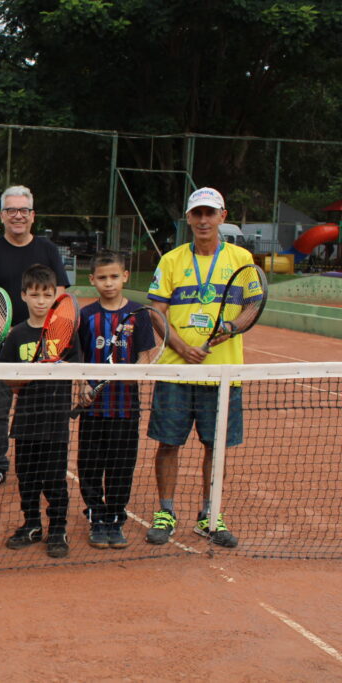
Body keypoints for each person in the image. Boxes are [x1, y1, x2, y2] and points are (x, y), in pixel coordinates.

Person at [144, 187, 253, 548]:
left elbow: (253, 304)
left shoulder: (241, 258)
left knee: (215, 447)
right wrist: (179, 346)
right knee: (169, 444)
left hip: (223, 373)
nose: (203, 220)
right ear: (188, 219)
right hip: (177, 372)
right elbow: (155, 310)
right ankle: (166, 511)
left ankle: (211, 513)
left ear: (223, 216)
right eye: (197, 214)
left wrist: (234, 327)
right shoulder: (172, 260)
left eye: (210, 213)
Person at [0, 185, 69, 492]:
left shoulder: (48, 249)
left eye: (23, 211)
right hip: (1, 347)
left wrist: (39, 330)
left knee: (39, 409)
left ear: (32, 216)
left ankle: (38, 464)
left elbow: (62, 295)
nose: (18, 216)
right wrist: (5, 330)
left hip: (39, 347)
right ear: (2, 216)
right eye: (11, 210)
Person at [0, 264, 80, 559]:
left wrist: (56, 367)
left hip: (55, 420)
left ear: (55, 296)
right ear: (23, 296)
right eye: (34, 294)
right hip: (26, 420)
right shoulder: (16, 335)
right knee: (27, 477)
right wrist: (25, 375)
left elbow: (78, 368)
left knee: (55, 479)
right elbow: (8, 380)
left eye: (47, 295)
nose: (41, 301)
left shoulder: (66, 332)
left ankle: (57, 528)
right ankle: (32, 524)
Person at [76, 250, 156, 549]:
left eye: (114, 276)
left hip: (125, 408)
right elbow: (79, 357)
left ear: (125, 276)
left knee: (122, 466)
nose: (108, 283)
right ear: (92, 280)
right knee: (90, 465)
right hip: (93, 408)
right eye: (102, 278)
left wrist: (137, 369)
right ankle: (96, 516)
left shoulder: (139, 314)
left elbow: (145, 356)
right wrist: (82, 382)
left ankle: (115, 518)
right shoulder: (86, 316)